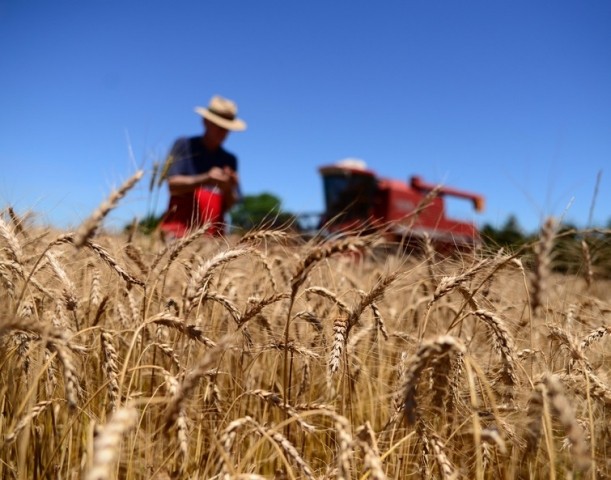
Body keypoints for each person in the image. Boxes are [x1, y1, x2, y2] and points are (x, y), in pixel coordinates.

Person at [160, 95, 247, 238]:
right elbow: (172, 185)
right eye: (219, 126)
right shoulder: (185, 145)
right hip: (178, 233)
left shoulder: (230, 160)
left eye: (227, 128)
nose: (223, 132)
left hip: (213, 238)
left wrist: (228, 189)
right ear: (205, 121)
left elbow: (230, 205)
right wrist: (206, 178)